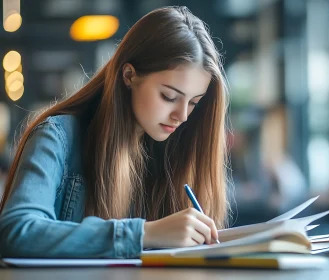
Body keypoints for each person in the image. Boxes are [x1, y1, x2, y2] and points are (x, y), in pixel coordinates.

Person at [0, 7, 230, 259]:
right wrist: (143, 234)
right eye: (169, 96)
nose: (182, 116)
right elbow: (17, 231)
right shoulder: (58, 138)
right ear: (129, 75)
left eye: (194, 102)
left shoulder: (175, 151)